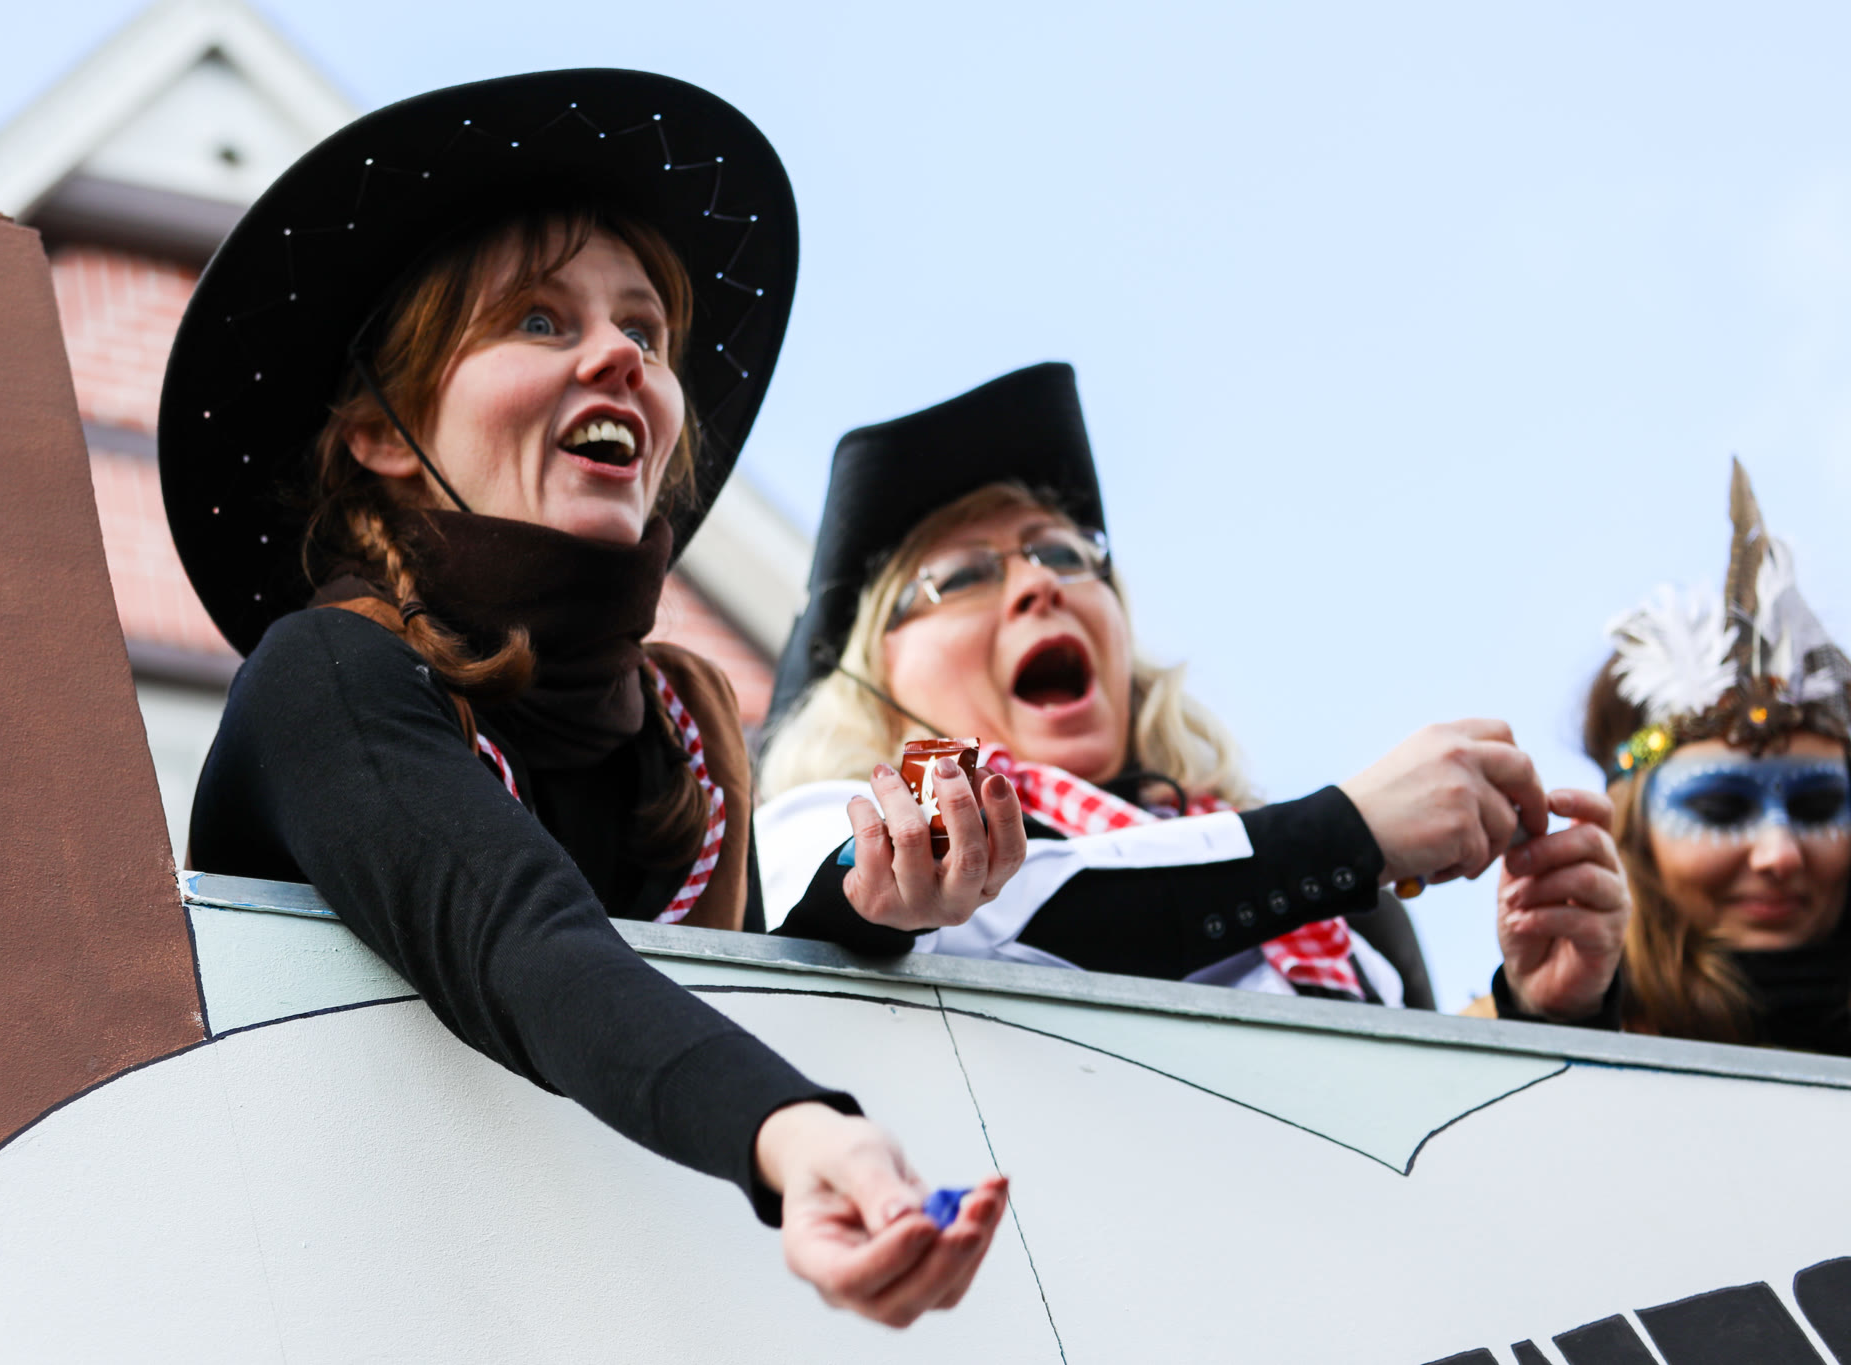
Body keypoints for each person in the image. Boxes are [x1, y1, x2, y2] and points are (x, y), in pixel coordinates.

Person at [160, 71, 1005, 1325]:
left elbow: (708, 996)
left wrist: (869, 907)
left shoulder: (689, 726)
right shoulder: (324, 673)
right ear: (380, 432)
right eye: (539, 321)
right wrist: (796, 1135)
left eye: (645, 334)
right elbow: (526, 943)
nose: (620, 356)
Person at [756, 363, 1603, 1006]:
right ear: (869, 673)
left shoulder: (1343, 917)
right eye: (965, 575)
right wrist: (1348, 833)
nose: (1038, 584)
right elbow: (1046, 913)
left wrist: (1542, 1010)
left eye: (1063, 553)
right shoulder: (821, 826)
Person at [1485, 460, 1851, 1054]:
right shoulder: (1485, 1033)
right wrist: (1556, 1025)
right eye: (1720, 808)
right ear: (1634, 832)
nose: (1780, 855)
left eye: (1818, 806)